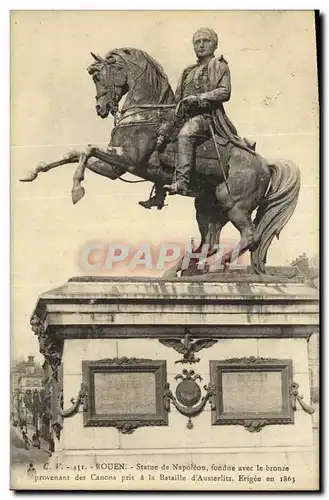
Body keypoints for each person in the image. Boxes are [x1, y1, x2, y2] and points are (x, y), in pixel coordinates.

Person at [139, 27, 255, 208]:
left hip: (206, 116)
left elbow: (225, 92)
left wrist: (198, 98)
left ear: (214, 45)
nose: (201, 45)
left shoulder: (219, 65)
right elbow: (177, 98)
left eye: (206, 41)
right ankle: (159, 193)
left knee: (185, 135)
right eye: (197, 42)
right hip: (184, 115)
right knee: (159, 138)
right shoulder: (188, 71)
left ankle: (182, 182)